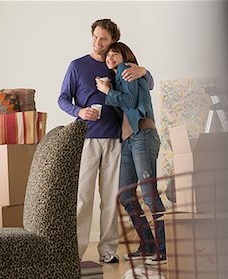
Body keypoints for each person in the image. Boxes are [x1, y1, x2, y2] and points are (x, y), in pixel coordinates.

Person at [58, 19, 154, 263]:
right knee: (83, 197)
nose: (98, 43)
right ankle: (74, 252)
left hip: (114, 139)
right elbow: (62, 99)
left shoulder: (117, 65)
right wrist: (79, 112)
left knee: (110, 198)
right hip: (87, 139)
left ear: (113, 41)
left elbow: (146, 84)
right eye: (95, 37)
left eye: (104, 39)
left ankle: (108, 250)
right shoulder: (77, 66)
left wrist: (144, 71)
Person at [95, 42, 166, 264]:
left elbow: (130, 102)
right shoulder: (119, 77)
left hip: (143, 137)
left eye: (114, 53)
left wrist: (107, 92)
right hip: (127, 142)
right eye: (107, 55)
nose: (110, 57)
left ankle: (162, 250)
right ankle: (147, 245)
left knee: (149, 194)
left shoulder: (128, 70)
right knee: (125, 195)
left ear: (124, 55)